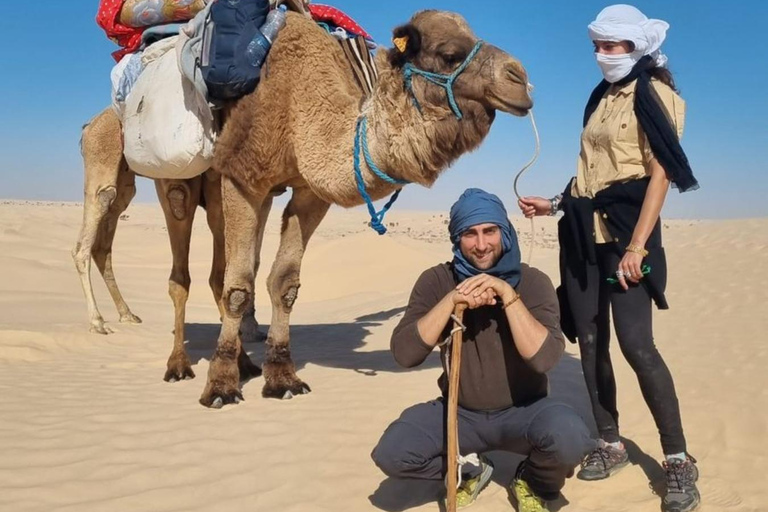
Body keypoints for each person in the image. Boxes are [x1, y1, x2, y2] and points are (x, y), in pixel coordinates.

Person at [518, 5, 700, 512]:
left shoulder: (656, 94)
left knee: (637, 345)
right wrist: (553, 203)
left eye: (614, 45)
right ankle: (611, 443)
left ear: (637, 47)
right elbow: (588, 172)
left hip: (627, 236)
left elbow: (659, 174)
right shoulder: (598, 98)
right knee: (592, 340)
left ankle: (679, 459)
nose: (603, 54)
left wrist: (638, 247)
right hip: (583, 235)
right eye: (598, 45)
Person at [371, 188, 595, 512]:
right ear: (456, 238)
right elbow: (405, 354)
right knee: (393, 453)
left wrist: (506, 293)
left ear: (504, 232)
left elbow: (544, 358)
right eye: (469, 234)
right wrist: (451, 301)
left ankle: (532, 480)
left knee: (571, 439)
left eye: (489, 231)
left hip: (524, 410)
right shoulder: (436, 281)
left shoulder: (533, 283)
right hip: (459, 412)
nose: (480, 245)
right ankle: (469, 471)